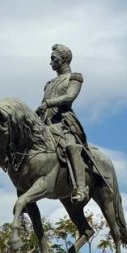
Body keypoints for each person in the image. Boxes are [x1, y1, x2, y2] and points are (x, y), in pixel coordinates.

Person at [35, 43, 89, 204]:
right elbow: (42, 104)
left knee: (71, 147)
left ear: (63, 59)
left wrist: (48, 103)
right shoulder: (49, 83)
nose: (50, 62)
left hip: (64, 122)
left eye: (53, 58)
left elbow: (69, 97)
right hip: (46, 124)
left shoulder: (74, 77)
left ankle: (81, 188)